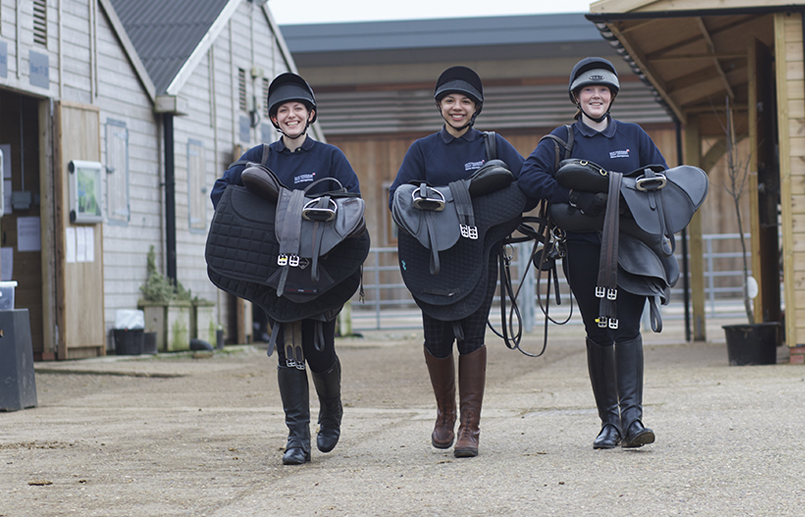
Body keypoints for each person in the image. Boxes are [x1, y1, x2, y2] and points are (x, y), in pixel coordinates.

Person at [211, 72, 359, 466]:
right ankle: (297, 438)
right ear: (274, 119)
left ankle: (331, 411)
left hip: (321, 269)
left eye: (298, 109)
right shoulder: (258, 158)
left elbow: (352, 206)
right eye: (283, 110)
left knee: (319, 348)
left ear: (310, 114)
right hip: (277, 270)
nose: (291, 115)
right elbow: (222, 194)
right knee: (289, 350)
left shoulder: (330, 158)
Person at [519, 57, 667, 449]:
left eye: (603, 90)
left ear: (612, 95)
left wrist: (630, 193)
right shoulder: (562, 140)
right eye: (588, 89)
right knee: (599, 330)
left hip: (632, 248)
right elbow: (529, 175)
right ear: (577, 96)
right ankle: (610, 422)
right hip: (585, 250)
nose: (596, 95)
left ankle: (634, 420)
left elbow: (661, 177)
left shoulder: (633, 136)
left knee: (628, 329)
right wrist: (571, 196)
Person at [389, 66, 527, 458]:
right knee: (436, 339)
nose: (457, 107)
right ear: (440, 105)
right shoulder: (422, 150)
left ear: (476, 108)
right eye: (450, 100)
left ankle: (470, 426)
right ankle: (445, 414)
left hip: (479, 255)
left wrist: (496, 222)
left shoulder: (493, 147)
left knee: (472, 335)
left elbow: (526, 186)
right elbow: (396, 198)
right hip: (432, 257)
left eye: (465, 101)